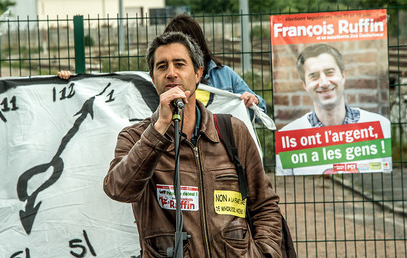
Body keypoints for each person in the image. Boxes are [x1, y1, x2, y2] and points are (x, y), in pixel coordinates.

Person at [103, 31, 282, 257]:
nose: (171, 73)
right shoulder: (135, 138)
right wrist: (159, 129)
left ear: (198, 73)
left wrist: (265, 254)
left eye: (179, 64)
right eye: (162, 66)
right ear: (153, 78)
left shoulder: (232, 132)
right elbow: (119, 190)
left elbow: (265, 206)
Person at [163, 14, 267, 120]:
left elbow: (260, 114)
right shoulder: (163, 79)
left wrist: (254, 102)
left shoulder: (225, 75)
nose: (172, 73)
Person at [280, 43, 390, 131]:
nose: (324, 83)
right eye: (314, 76)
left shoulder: (381, 127)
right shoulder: (290, 136)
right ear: (304, 85)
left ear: (343, 76)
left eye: (329, 72)